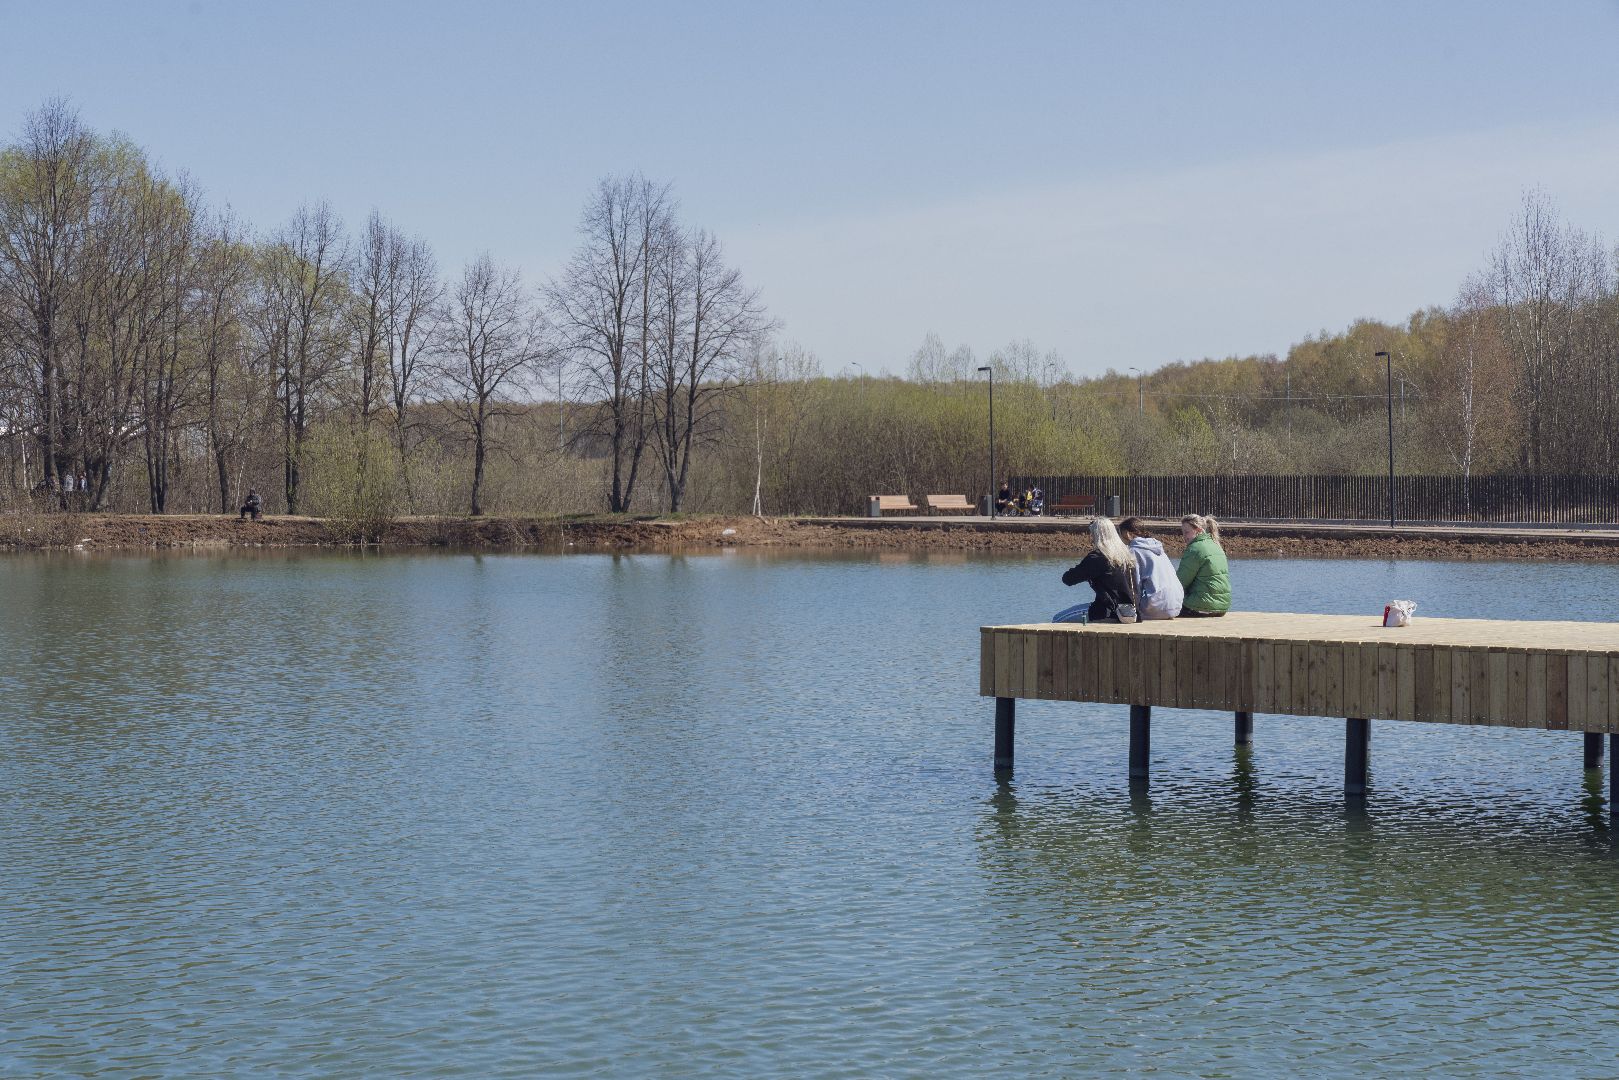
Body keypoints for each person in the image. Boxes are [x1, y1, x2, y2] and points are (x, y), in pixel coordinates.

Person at [1053, 516, 1137, 623]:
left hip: (1107, 611)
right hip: (1131, 612)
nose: (1091, 537)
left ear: (1096, 535)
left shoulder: (1098, 557)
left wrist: (1083, 570)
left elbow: (1068, 579)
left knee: (1057, 619)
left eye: (1092, 534)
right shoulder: (1126, 555)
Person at [1119, 517, 1183, 619]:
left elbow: (1134, 586)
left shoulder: (1133, 551)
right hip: (1176, 606)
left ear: (1127, 534)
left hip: (1156, 608)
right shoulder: (1158, 548)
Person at [1177, 513, 1230, 617]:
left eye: (1186, 532)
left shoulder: (1194, 549)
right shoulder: (1216, 545)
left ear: (1199, 530)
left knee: (1164, 608)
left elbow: (1180, 582)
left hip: (1201, 606)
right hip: (1222, 607)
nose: (1184, 536)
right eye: (1182, 532)